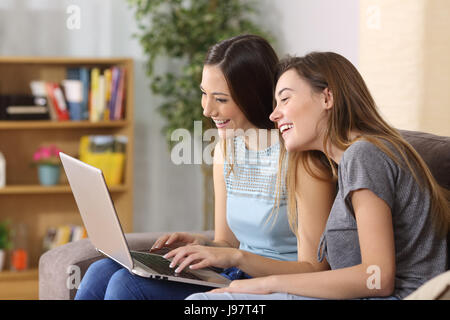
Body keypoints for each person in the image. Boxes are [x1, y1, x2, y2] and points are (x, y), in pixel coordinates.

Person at [74, 36, 336, 300]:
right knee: (99, 272)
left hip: (274, 285)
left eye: (221, 99)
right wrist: (204, 244)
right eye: (204, 94)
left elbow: (315, 269)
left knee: (125, 286)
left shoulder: (302, 160)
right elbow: (228, 242)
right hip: (234, 275)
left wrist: (235, 256)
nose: (207, 110)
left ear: (253, 97)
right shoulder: (226, 151)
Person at [187, 51, 449, 300]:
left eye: (285, 99)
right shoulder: (351, 160)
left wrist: (267, 284)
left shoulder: (364, 155)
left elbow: (377, 278)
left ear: (327, 98)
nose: (273, 114)